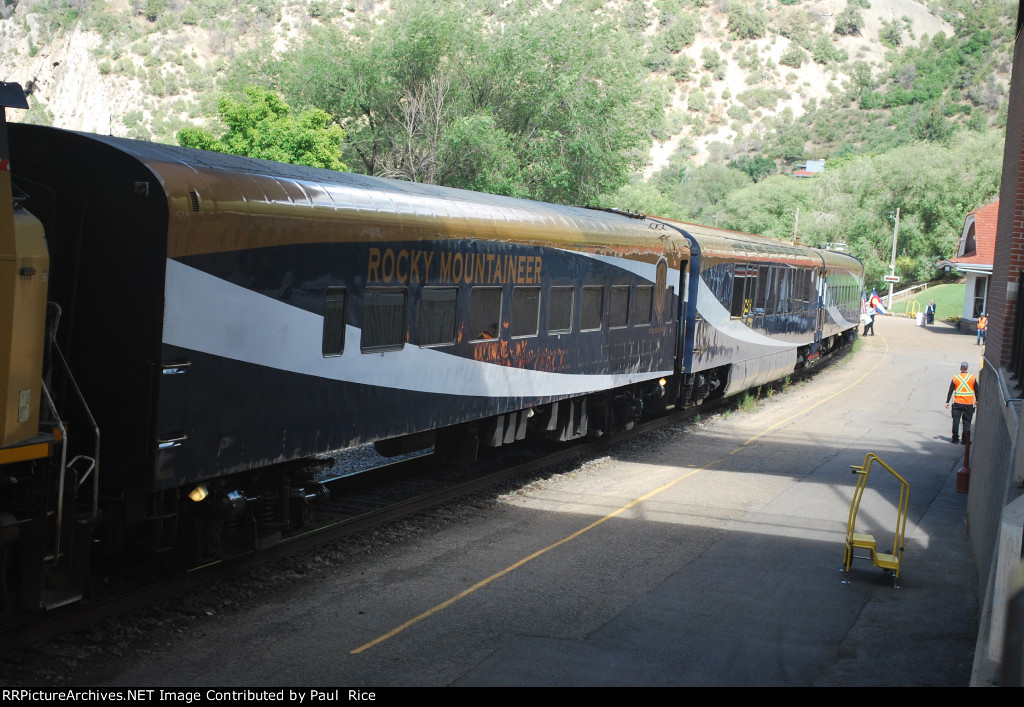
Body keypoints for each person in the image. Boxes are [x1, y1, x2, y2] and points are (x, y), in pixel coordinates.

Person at [945, 361, 979, 445]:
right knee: (967, 422)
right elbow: (977, 390)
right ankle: (965, 440)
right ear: (967, 368)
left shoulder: (955, 378)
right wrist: (977, 400)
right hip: (968, 403)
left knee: (956, 421)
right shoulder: (972, 378)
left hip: (957, 403)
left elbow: (950, 390)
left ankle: (955, 439)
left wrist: (947, 402)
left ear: (960, 368)